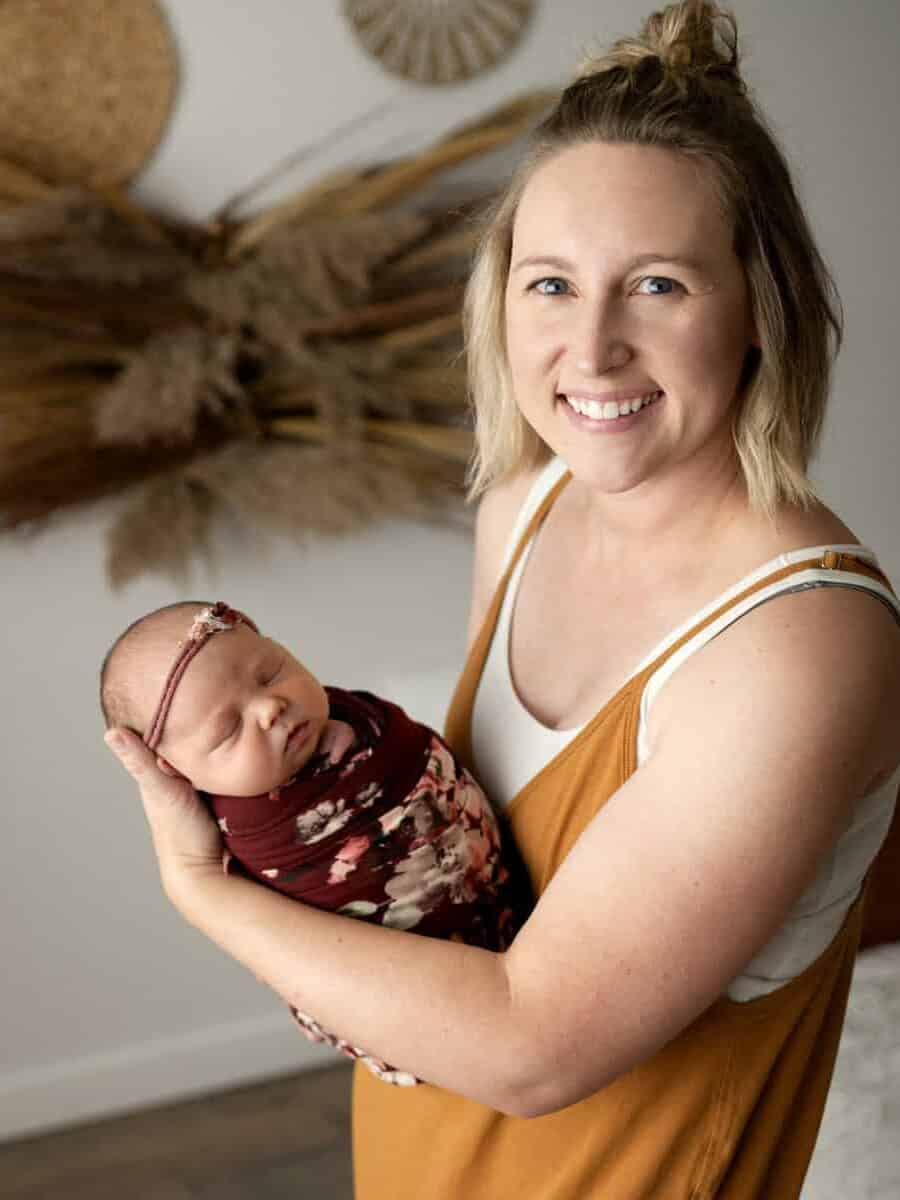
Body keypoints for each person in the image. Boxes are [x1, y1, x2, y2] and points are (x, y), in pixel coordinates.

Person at [104, 2, 900, 1196]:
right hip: (419, 1156)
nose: (592, 349)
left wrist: (197, 887)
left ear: (759, 306)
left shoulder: (801, 641)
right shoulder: (527, 502)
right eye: (550, 284)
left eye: (659, 286)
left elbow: (534, 1044)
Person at [100, 600, 531, 1086]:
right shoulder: (247, 831)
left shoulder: (359, 717)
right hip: (427, 995)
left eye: (269, 673)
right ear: (179, 774)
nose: (268, 707)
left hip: (516, 916)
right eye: (227, 729)